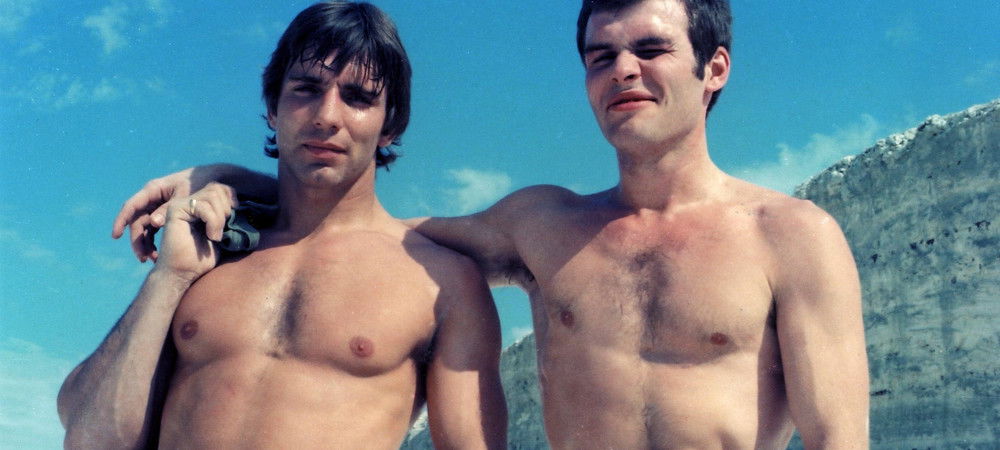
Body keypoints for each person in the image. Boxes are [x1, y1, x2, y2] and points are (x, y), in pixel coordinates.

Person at [109, 0, 870, 448]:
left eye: (650, 49)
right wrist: (229, 179)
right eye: (600, 56)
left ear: (715, 69)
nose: (622, 70)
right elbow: (372, 226)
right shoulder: (544, 224)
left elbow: (839, 439)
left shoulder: (792, 237)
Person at [57, 3, 506, 449]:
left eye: (357, 98)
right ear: (273, 107)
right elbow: (90, 441)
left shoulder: (443, 283)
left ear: (389, 124)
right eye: (306, 89)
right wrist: (169, 278)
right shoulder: (209, 248)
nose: (327, 116)